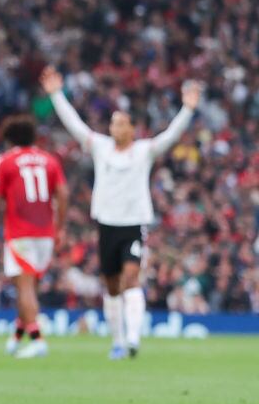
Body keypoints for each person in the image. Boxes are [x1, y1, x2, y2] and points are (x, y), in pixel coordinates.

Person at [41, 67, 199, 359]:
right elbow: (75, 125)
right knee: (112, 286)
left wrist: (187, 109)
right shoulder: (100, 148)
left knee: (131, 278)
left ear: (131, 129)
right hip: (107, 225)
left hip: (133, 224)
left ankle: (133, 338)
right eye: (112, 123)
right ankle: (117, 340)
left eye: (120, 123)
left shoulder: (143, 151)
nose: (115, 127)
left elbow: (170, 136)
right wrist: (55, 95)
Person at [0, 115, 68, 359]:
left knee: (24, 288)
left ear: (9, 140)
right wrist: (61, 227)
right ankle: (17, 335)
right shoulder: (49, 160)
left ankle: (37, 340)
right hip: (45, 234)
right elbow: (63, 194)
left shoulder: (6, 161)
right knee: (28, 288)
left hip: (20, 234)